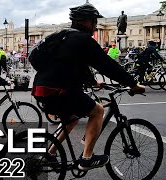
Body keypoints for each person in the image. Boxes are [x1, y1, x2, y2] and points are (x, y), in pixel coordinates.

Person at [32, 2, 145, 171]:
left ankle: (49, 154)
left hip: (41, 89)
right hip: (59, 91)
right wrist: (132, 84)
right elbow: (107, 65)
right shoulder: (83, 40)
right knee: (98, 111)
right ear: (85, 22)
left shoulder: (62, 36)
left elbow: (75, 64)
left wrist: (92, 82)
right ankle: (86, 159)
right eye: (94, 22)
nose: (95, 27)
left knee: (72, 119)